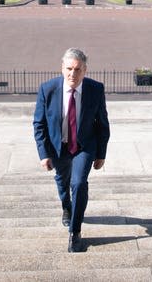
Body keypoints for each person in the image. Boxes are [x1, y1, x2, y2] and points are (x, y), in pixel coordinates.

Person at [33, 48, 110, 253]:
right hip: (59, 147)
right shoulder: (47, 89)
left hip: (84, 146)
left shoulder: (95, 89)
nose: (72, 74)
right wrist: (44, 154)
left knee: (78, 183)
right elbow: (39, 124)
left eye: (77, 69)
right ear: (62, 68)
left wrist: (101, 153)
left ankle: (75, 232)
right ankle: (66, 206)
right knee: (63, 181)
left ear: (85, 70)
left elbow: (103, 124)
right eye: (69, 69)